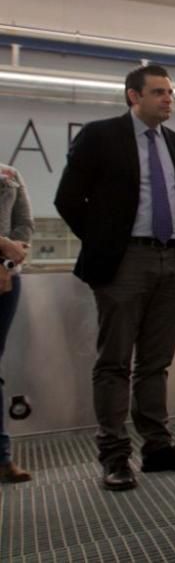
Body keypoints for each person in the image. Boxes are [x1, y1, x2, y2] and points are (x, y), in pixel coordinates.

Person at [55, 64, 175, 492]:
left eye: (171, 93)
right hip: (124, 263)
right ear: (132, 96)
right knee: (114, 363)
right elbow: (67, 198)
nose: (167, 99)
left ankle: (158, 448)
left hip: (170, 262)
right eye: (158, 92)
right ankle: (115, 455)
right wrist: (106, 243)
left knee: (156, 364)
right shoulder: (100, 136)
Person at [0, 164, 33, 483]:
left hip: (7, 279)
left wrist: (6, 263)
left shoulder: (9, 174)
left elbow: (24, 224)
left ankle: (2, 457)